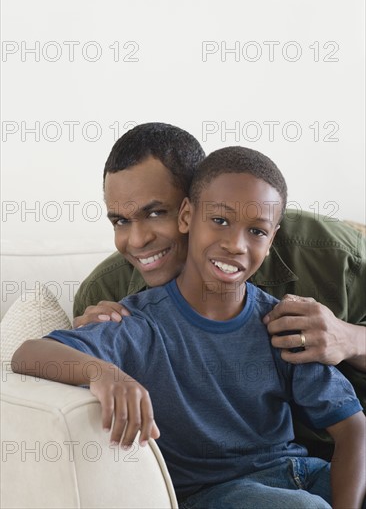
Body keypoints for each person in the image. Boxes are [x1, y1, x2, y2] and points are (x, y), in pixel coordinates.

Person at [12, 146, 366, 508]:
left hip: (301, 471)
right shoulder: (138, 325)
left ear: (272, 237)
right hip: (218, 492)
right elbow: (27, 354)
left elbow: (353, 428)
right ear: (187, 217)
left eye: (256, 231)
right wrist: (103, 372)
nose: (235, 244)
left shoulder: (281, 321)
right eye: (220, 221)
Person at [73, 123, 366, 459]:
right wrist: (93, 361)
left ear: (194, 203)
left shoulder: (331, 255)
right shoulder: (106, 291)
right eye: (121, 221)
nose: (137, 241)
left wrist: (350, 339)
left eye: (156, 213)